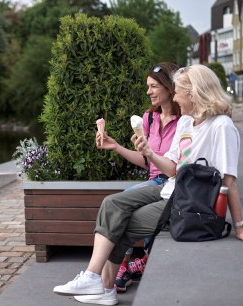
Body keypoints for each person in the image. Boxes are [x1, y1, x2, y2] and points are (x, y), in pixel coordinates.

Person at [53, 64, 243, 305]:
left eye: (178, 91)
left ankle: (103, 286)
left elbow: (229, 180)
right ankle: (96, 280)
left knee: (124, 222)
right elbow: (173, 168)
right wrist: (150, 153)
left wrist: (239, 227)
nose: (175, 96)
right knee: (112, 203)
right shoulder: (187, 123)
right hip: (173, 188)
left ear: (194, 92)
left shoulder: (221, 126)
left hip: (195, 204)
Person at [95, 62, 181, 292]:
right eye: (148, 86)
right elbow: (145, 160)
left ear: (169, 88)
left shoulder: (184, 121)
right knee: (124, 199)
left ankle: (128, 267)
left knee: (123, 201)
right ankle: (121, 268)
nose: (148, 92)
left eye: (153, 87)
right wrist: (116, 147)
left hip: (171, 181)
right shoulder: (149, 119)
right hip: (155, 181)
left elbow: (173, 164)